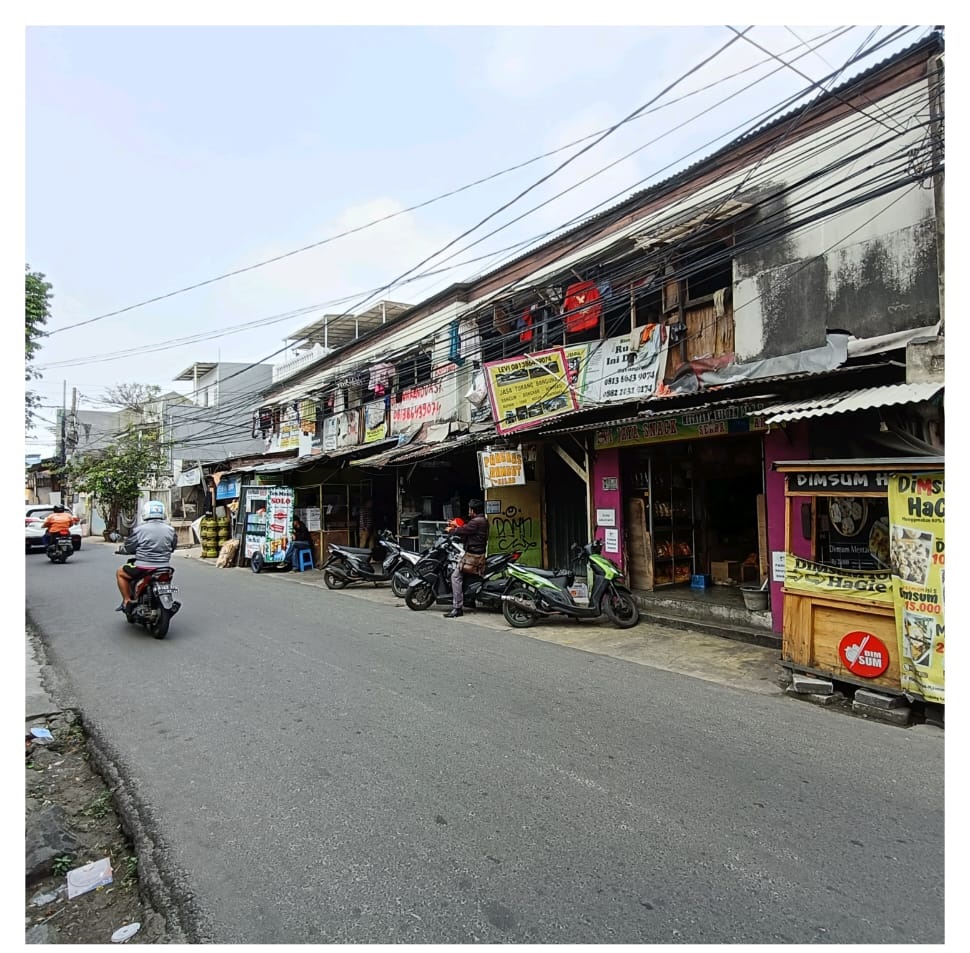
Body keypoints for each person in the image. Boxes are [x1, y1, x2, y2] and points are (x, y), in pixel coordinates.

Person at [115, 501, 178, 612]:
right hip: (164, 567)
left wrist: (123, 550)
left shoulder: (139, 530)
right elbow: (173, 547)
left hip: (143, 568)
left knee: (120, 572)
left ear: (145, 513)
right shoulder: (171, 530)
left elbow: (129, 547)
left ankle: (126, 601)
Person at [443, 499, 489, 618]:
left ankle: (457, 608)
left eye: (469, 509)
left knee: (455, 576)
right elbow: (467, 529)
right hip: (478, 554)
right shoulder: (482, 520)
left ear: (473, 510)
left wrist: (452, 530)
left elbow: (464, 530)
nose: (468, 511)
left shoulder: (476, 522)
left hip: (473, 556)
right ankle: (469, 600)